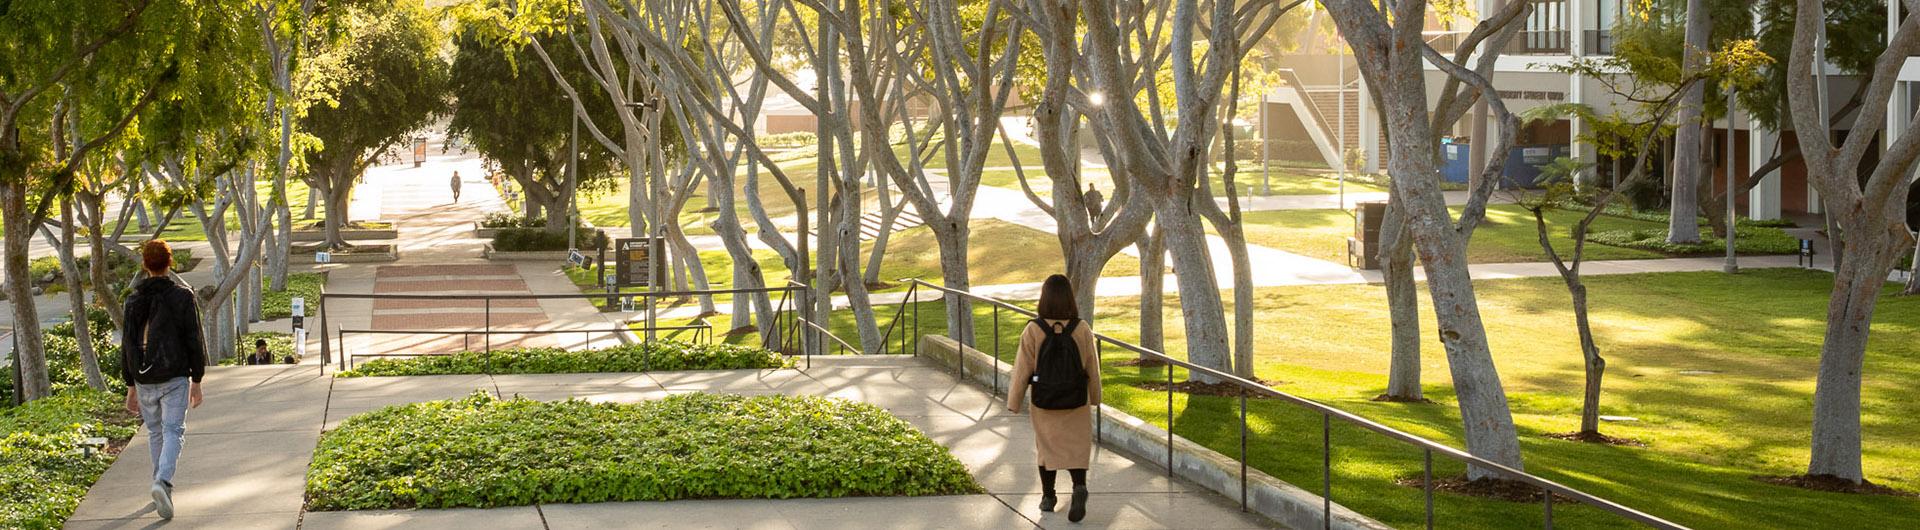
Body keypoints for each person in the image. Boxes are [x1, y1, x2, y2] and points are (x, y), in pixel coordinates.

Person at [120, 240, 207, 521]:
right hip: (174, 375)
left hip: (143, 377)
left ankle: (160, 484)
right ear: (170, 263)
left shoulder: (133, 300)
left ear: (145, 265)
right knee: (173, 431)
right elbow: (193, 338)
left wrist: (130, 385)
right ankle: (163, 482)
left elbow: (127, 344)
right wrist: (197, 379)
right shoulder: (183, 296)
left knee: (156, 432)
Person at [1008, 274, 1103, 522]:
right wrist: (1095, 397)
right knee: (1077, 446)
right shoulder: (1081, 329)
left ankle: (1049, 497)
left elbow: (1022, 369)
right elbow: (1092, 367)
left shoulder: (1033, 330)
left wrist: (1014, 402)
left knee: (1046, 447)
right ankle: (1079, 487)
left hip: (1045, 400)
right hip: (1076, 399)